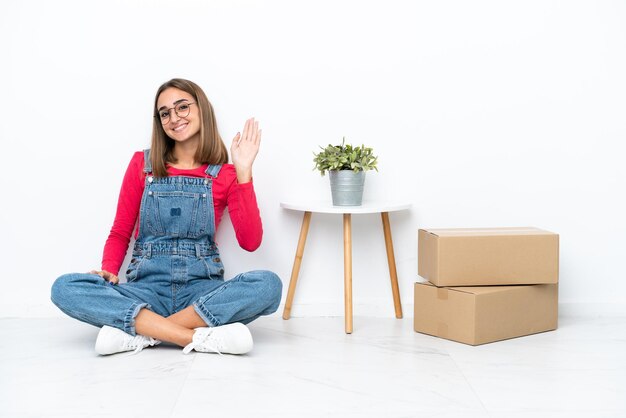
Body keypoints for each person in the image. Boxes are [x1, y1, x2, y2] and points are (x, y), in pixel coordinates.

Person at [51, 78, 282, 356]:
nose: (174, 118)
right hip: (145, 290)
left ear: (202, 109)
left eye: (182, 107)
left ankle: (144, 333)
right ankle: (195, 337)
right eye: (165, 113)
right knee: (64, 287)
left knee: (268, 284)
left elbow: (250, 242)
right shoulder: (142, 164)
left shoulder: (226, 174)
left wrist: (244, 172)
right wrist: (109, 271)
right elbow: (121, 230)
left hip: (200, 292)